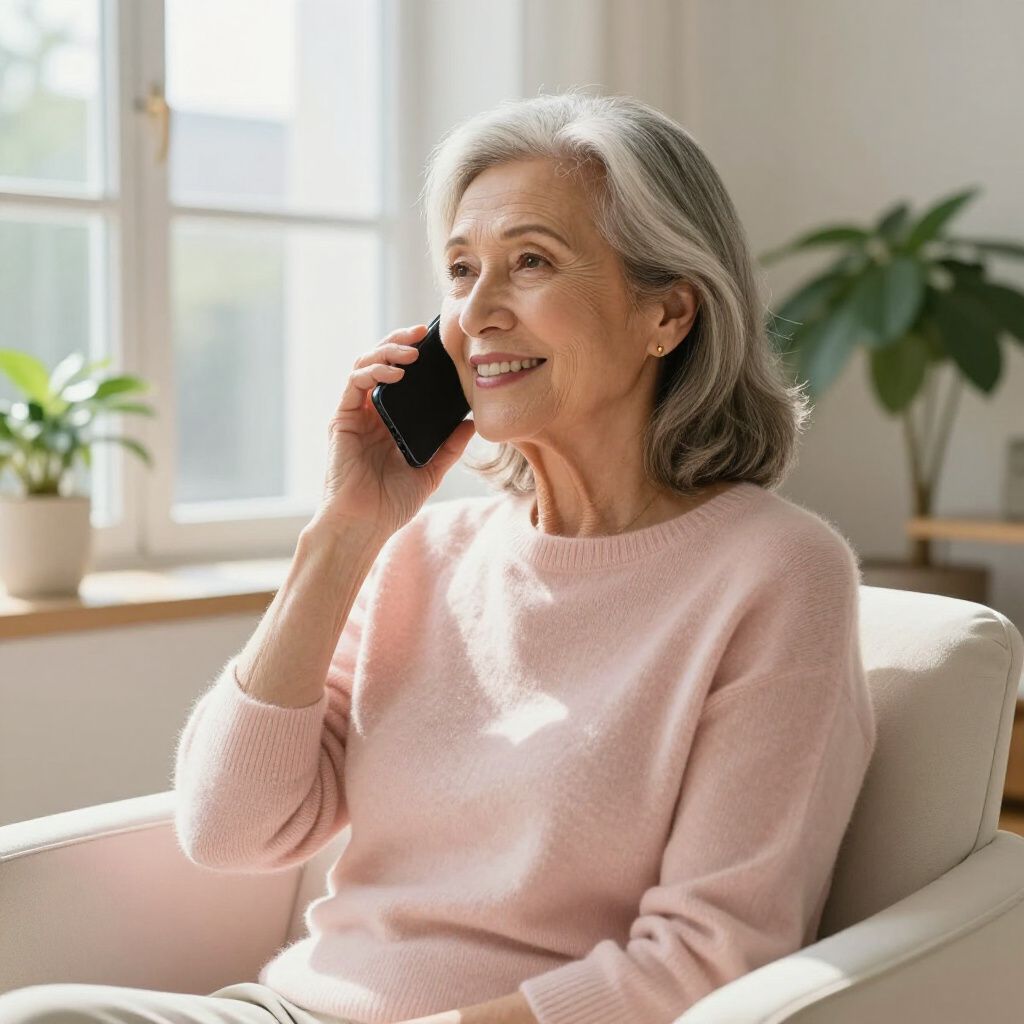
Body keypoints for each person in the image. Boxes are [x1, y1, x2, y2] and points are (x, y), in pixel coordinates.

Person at [0, 88, 876, 1024]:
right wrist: (345, 530)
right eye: (461, 270)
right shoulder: (425, 549)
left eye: (531, 262)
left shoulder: (777, 573)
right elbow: (229, 828)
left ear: (667, 313)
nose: (477, 313)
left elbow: (712, 957)